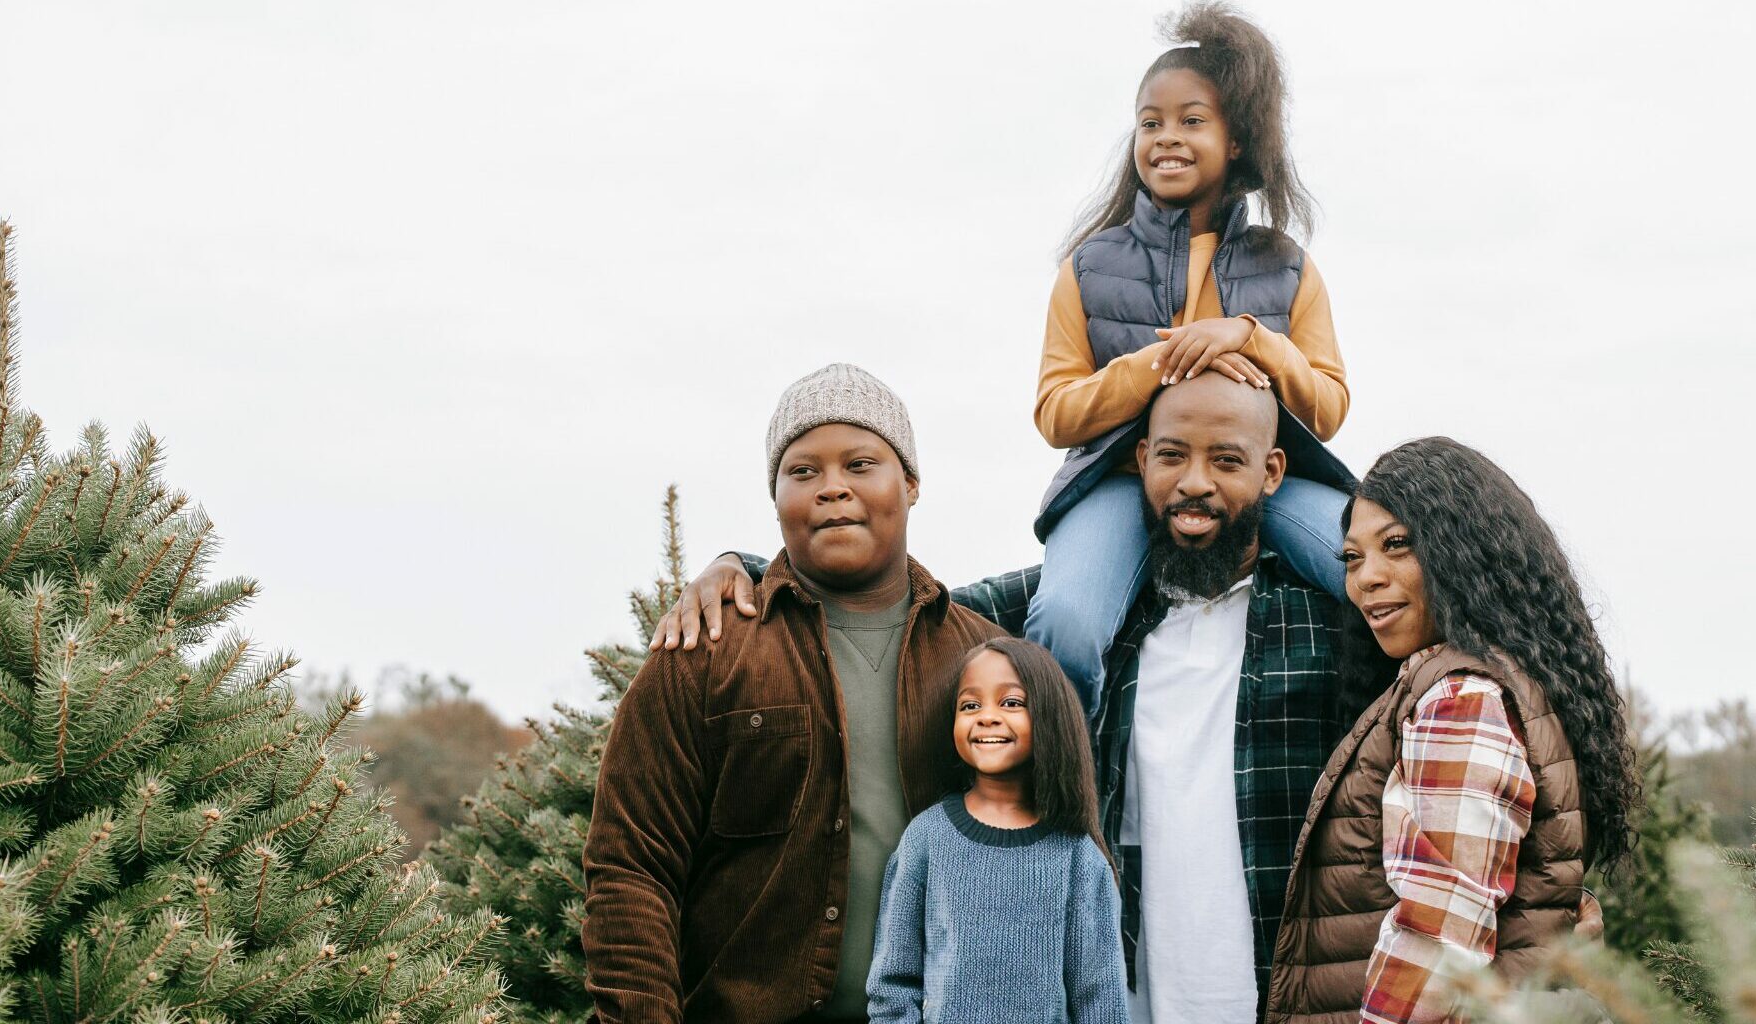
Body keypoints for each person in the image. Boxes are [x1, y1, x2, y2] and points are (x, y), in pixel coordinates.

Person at [659, 371, 1353, 1021]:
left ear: (1272, 474)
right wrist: (745, 568)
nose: (1193, 483)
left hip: (1276, 993)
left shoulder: (1323, 628)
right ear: (1141, 461)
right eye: (1171, 456)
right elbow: (904, 609)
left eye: (1227, 463)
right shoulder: (1091, 611)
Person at [582, 363, 1004, 1023]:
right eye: (802, 472)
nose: (832, 489)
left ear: (911, 484)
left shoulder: (982, 659)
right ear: (776, 496)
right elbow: (631, 867)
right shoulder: (705, 649)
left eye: (861, 464)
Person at [1026, 1, 1354, 713]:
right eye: (1151, 122)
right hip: (1117, 484)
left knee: (1373, 571)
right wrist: (1160, 363)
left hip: (1261, 485)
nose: (1166, 138)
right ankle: (1063, 805)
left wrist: (1251, 339)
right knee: (1065, 624)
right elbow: (1056, 413)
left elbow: (1326, 410)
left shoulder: (1289, 266)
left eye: (1190, 121)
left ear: (1237, 139)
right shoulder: (1088, 267)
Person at [1266, 437, 1640, 1022]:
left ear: (1463, 551)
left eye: (1396, 546)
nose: (1367, 578)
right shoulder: (1500, 681)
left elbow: (1438, 943)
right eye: (1353, 558)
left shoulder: (1460, 701)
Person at [866, 637, 1128, 1023]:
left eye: (1011, 702)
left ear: (1049, 715)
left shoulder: (1078, 856)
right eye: (970, 705)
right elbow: (893, 985)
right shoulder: (926, 839)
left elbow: (1100, 999)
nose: (986, 717)